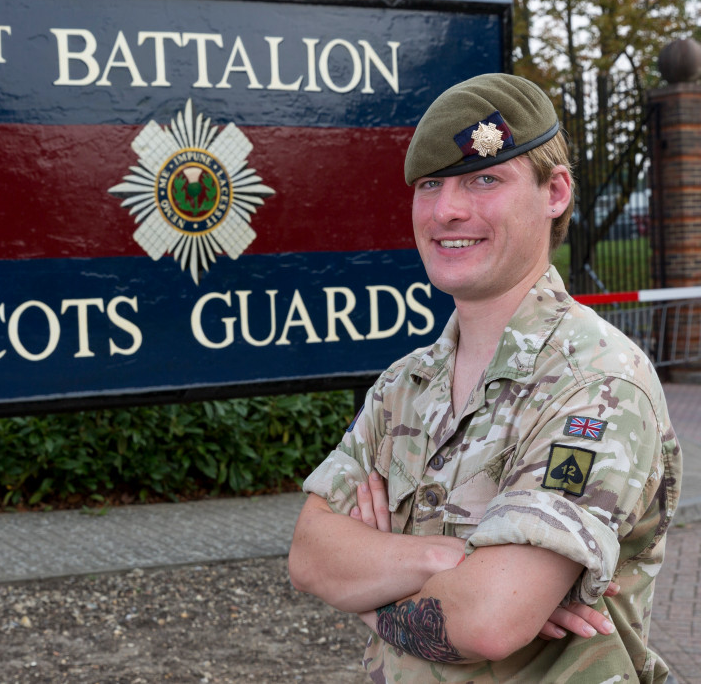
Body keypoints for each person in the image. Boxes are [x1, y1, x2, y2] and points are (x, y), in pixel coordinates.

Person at [288, 73, 682, 682]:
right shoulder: (404, 386)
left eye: (484, 178)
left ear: (554, 192)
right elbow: (310, 557)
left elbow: (488, 622)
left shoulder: (596, 385)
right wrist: (443, 556)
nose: (447, 209)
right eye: (430, 184)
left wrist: (370, 583)